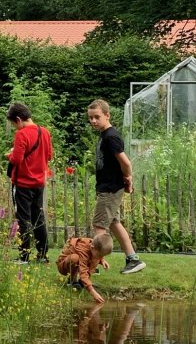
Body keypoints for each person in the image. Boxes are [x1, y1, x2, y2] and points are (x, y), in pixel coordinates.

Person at [87, 99, 145, 274]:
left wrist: (128, 178)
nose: (93, 121)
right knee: (114, 223)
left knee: (99, 225)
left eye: (97, 117)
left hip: (110, 188)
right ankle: (133, 259)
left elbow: (126, 163)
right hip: (109, 187)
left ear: (107, 115)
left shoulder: (110, 137)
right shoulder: (105, 135)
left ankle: (93, 265)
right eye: (91, 118)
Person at [5, 102, 53, 263]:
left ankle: (24, 256)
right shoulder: (44, 132)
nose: (15, 127)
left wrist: (10, 155)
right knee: (38, 218)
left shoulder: (21, 134)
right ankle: (43, 255)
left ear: (18, 119)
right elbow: (49, 156)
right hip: (39, 183)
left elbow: (17, 159)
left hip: (23, 184)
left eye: (14, 124)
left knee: (23, 219)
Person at [57, 233, 113, 304]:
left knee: (96, 259)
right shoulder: (83, 249)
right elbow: (83, 272)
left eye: (103, 255)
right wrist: (93, 292)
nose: (101, 257)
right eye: (100, 255)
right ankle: (72, 281)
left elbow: (98, 254)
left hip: (80, 262)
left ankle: (82, 282)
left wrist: (102, 260)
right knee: (75, 258)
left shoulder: (95, 246)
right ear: (92, 248)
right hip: (63, 266)